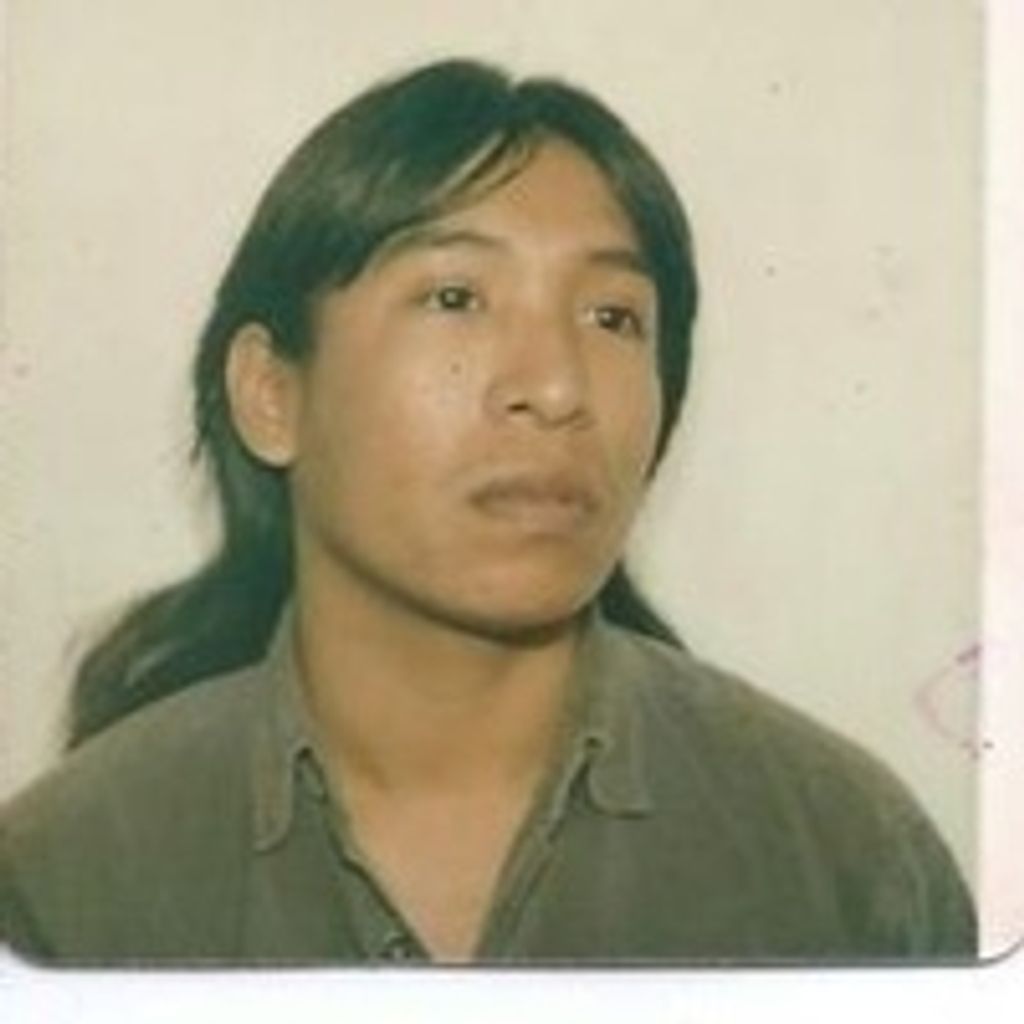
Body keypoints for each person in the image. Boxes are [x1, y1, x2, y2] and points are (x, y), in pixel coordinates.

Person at [0, 58, 975, 964]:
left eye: (612, 317)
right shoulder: (63, 882)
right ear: (271, 393)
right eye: (456, 297)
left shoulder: (847, 865)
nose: (555, 387)